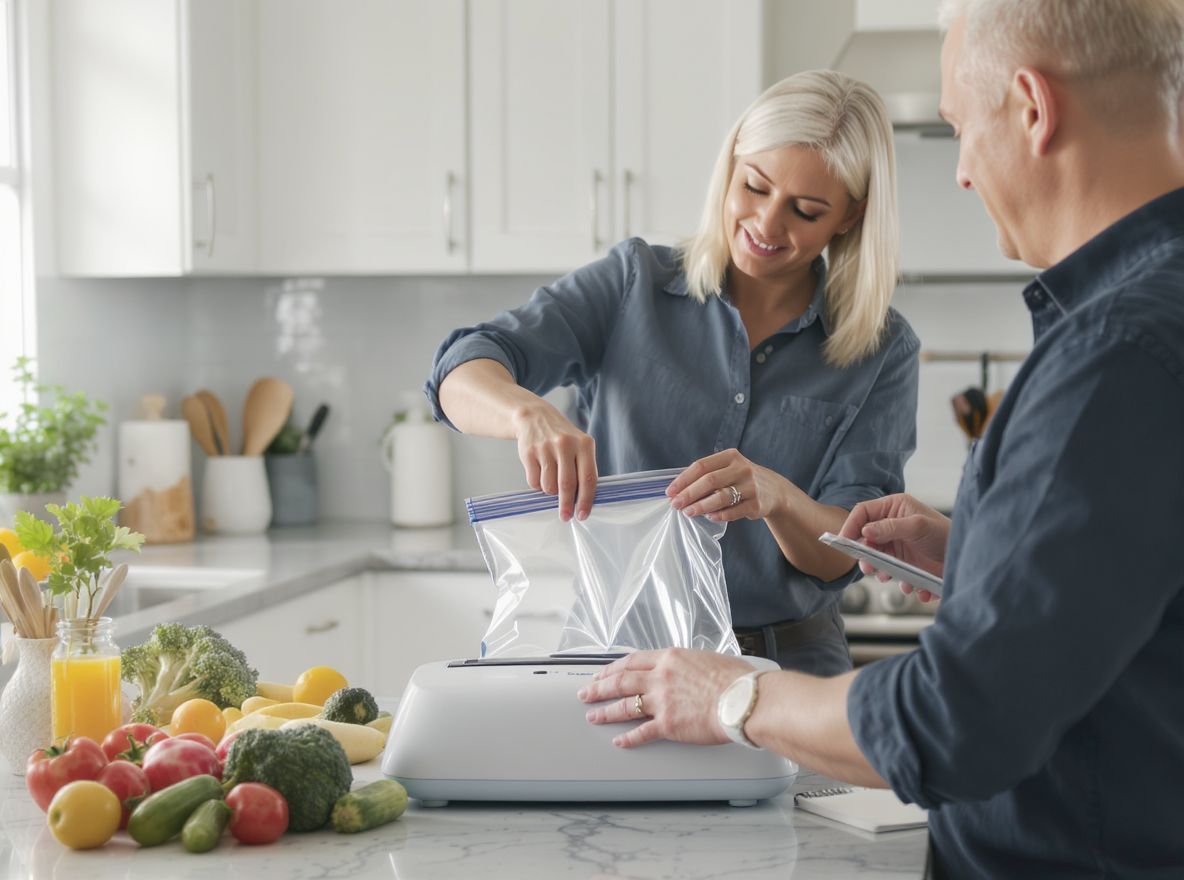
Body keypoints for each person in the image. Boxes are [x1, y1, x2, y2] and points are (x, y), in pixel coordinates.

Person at [578, 0, 1184, 876]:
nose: (965, 172)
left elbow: (957, 720)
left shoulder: (1113, 355)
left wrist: (733, 694)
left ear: (1032, 108)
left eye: (961, 129)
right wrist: (980, 550)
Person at [425, 70, 919, 675]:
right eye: (755, 187)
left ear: (849, 217)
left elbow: (844, 551)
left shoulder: (883, 350)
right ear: (731, 165)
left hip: (786, 667)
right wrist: (526, 413)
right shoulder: (633, 284)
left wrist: (779, 498)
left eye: (805, 210)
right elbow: (459, 370)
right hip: (619, 656)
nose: (766, 224)